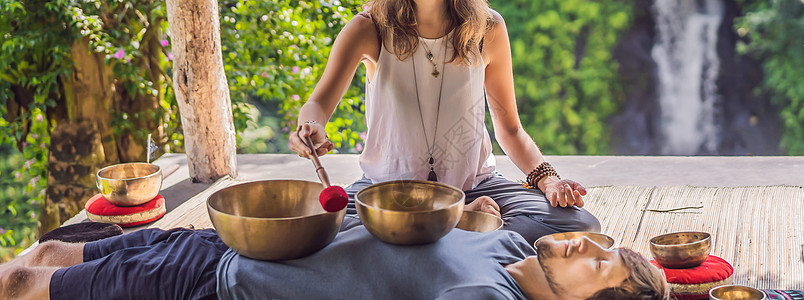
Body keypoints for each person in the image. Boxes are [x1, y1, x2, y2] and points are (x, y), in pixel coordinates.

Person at [288, 0, 601, 245]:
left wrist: (547, 180)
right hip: (389, 194)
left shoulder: (487, 27)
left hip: (475, 188)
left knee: (579, 225)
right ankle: (463, 230)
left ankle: (430, 238)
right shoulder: (369, 27)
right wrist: (310, 126)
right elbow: (317, 104)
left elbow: (510, 128)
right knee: (325, 228)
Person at [1, 221, 667, 299]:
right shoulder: (511, 244)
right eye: (607, 248)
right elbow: (478, 217)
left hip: (216, 282)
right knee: (56, 247)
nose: (590, 247)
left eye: (600, 266)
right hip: (239, 232)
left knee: (24, 282)